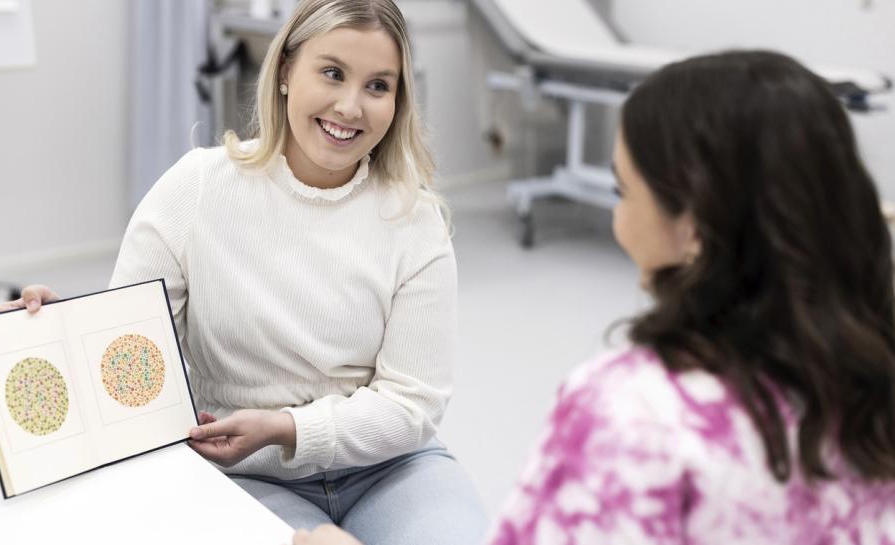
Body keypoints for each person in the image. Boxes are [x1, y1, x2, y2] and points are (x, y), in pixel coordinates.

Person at [292, 50, 895, 545]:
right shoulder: (870, 384)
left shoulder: (637, 415)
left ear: (693, 227)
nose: (618, 216)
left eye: (622, 190)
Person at [0, 1, 486, 543]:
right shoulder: (197, 190)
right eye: (333, 73)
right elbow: (129, 354)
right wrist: (58, 335)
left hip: (389, 467)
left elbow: (412, 405)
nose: (350, 106)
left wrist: (286, 427)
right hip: (243, 474)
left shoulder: (414, 220)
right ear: (288, 70)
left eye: (378, 86)